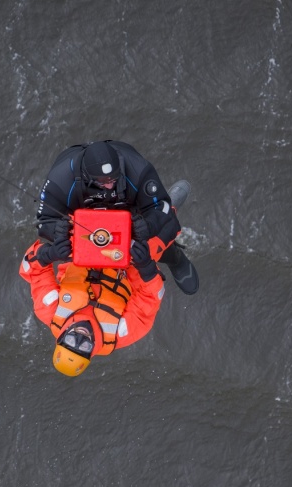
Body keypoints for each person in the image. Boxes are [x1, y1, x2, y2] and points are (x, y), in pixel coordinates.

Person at [36, 139, 199, 295]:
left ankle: (175, 258)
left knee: (161, 229)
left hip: (130, 214)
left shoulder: (138, 167)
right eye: (102, 182)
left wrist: (148, 226)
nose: (109, 185)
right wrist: (58, 231)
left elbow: (160, 205)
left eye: (114, 179)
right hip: (85, 229)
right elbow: (44, 222)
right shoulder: (59, 179)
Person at [19, 219, 166, 377]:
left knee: (63, 213)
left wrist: (49, 254)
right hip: (127, 259)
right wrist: (145, 267)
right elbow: (151, 297)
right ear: (91, 352)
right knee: (163, 229)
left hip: (83, 242)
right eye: (83, 348)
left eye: (70, 342)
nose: (80, 337)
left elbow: (31, 269)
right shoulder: (121, 333)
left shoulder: (49, 310)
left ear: (61, 338)